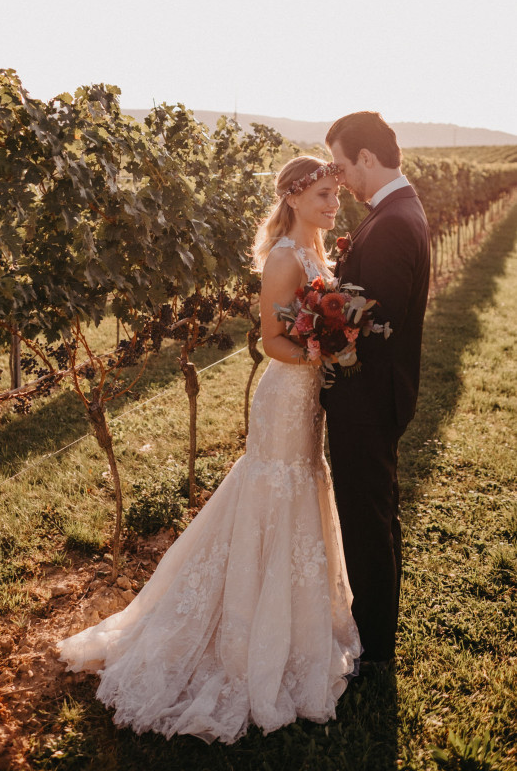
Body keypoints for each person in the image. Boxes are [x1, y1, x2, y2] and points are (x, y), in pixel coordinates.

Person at [57, 155, 362, 744]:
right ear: (295, 199)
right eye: (323, 195)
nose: (333, 205)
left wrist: (333, 342)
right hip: (284, 397)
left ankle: (294, 624)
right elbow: (273, 341)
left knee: (302, 484)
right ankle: (239, 629)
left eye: (336, 196)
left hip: (309, 397)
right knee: (274, 489)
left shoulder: (317, 252)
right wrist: (327, 352)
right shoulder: (282, 259)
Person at [323, 112, 430, 669]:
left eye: (341, 165)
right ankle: (377, 636)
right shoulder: (395, 211)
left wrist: (321, 323)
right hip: (375, 396)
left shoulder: (391, 221)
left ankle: (375, 651)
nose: (339, 179)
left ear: (366, 157)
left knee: (366, 518)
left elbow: (376, 324)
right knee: (376, 512)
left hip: (367, 397)